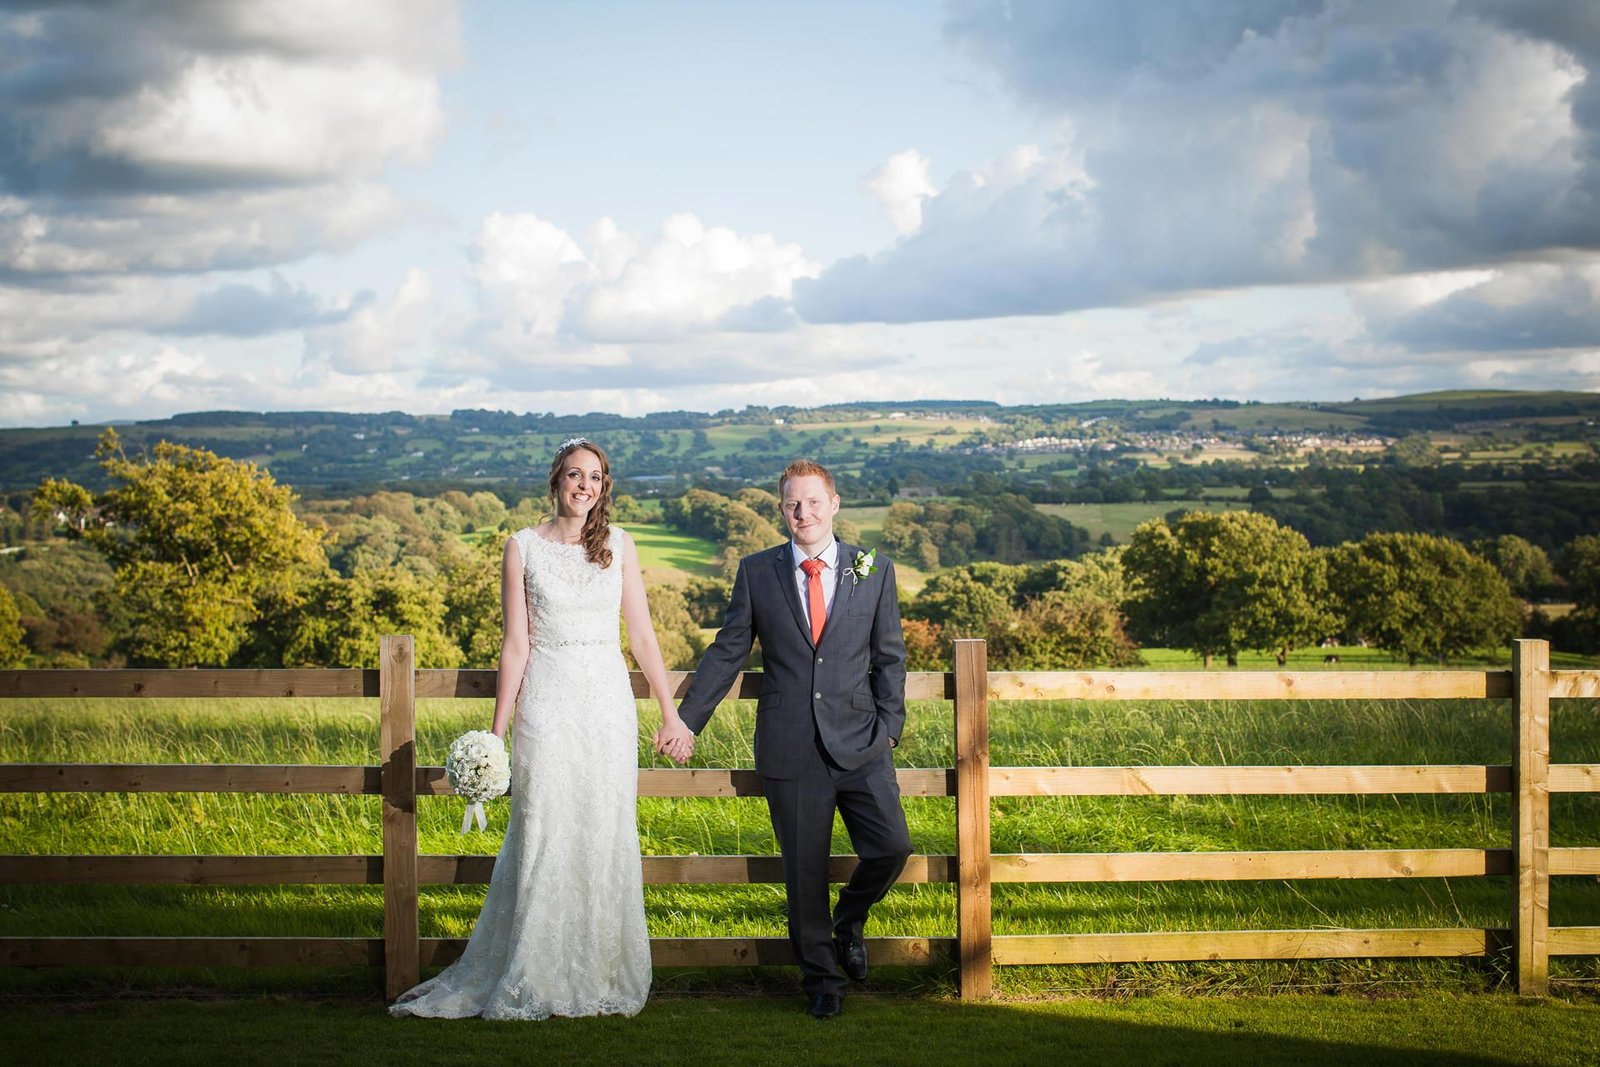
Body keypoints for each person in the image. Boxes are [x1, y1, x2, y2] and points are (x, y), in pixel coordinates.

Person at [391, 437, 691, 1020]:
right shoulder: (522, 547)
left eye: (596, 478)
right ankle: (536, 971)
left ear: (604, 488)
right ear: (556, 481)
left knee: (604, 830)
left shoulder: (620, 546)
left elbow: (643, 636)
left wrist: (669, 710)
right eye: (575, 475)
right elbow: (516, 645)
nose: (585, 486)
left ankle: (598, 972)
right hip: (547, 703)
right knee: (545, 829)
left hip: (606, 703)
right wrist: (496, 737)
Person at [656, 458, 913, 1020]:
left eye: (814, 502)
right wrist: (686, 719)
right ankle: (821, 978)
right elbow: (728, 653)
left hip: (863, 742)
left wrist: (889, 729)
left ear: (834, 504)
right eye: (794, 504)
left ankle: (850, 919)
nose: (804, 513)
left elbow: (890, 657)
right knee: (802, 869)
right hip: (790, 743)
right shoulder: (757, 572)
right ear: (781, 510)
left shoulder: (874, 569)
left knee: (893, 846)